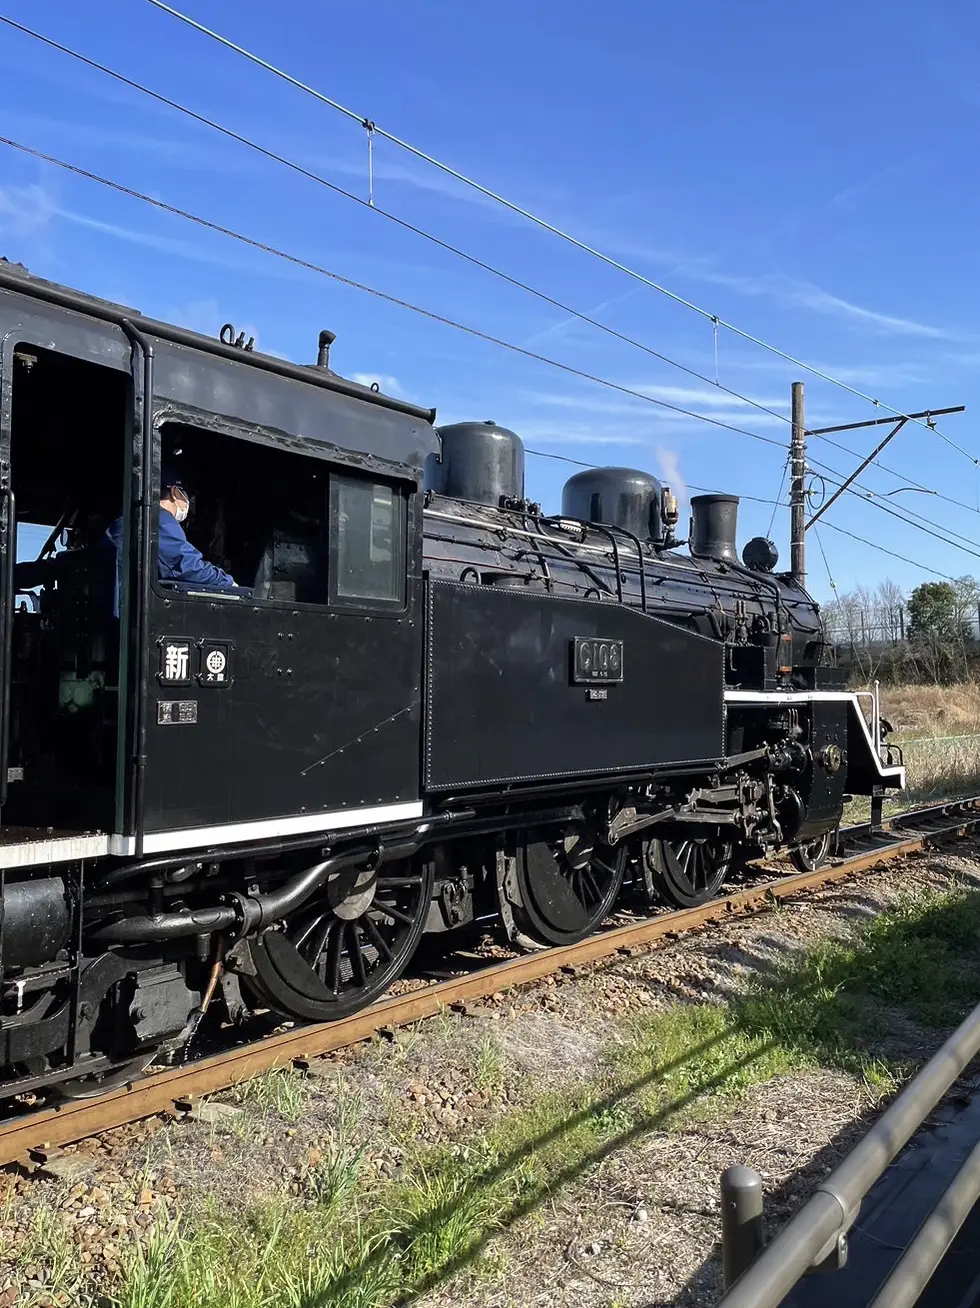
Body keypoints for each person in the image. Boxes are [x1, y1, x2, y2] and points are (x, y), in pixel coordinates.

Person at [105, 470, 241, 616]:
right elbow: (186, 566)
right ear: (175, 492)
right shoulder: (158, 520)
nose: (190, 504)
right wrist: (228, 584)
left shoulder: (128, 518)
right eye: (189, 496)